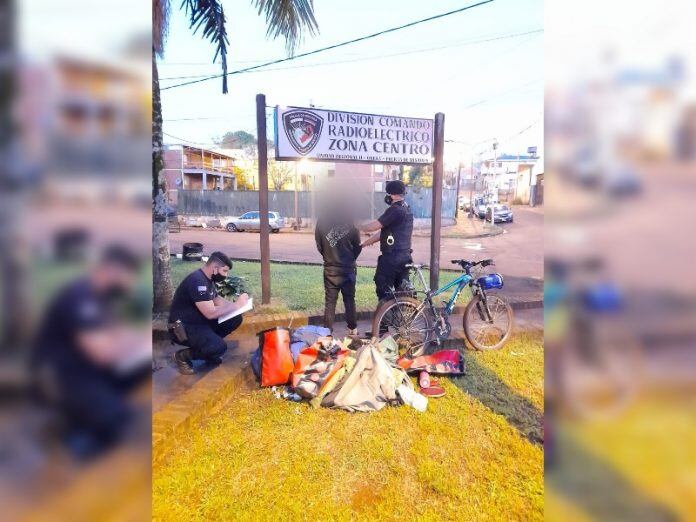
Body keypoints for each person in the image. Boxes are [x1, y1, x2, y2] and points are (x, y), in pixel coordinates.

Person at [31, 244, 150, 459]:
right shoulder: (80, 298)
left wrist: (137, 342)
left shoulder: (100, 297)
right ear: (113, 270)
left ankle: (96, 412)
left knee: (143, 366)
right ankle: (70, 439)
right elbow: (101, 353)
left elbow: (117, 334)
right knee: (118, 421)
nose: (129, 286)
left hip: (88, 367)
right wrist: (132, 346)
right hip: (63, 373)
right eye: (128, 278)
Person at [169, 251, 249, 375]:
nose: (226, 275)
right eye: (225, 271)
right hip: (183, 328)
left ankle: (209, 348)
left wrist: (238, 307)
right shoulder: (197, 281)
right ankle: (182, 356)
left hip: (198, 323)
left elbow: (217, 300)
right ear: (215, 268)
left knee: (235, 318)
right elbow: (210, 313)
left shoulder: (207, 279)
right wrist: (236, 305)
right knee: (219, 347)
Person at [358, 180, 414, 301]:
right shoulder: (407, 209)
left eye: (388, 193)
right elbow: (384, 233)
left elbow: (374, 226)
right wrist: (365, 243)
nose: (387, 197)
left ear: (392, 195)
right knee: (402, 292)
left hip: (392, 258)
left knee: (384, 288)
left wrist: (357, 227)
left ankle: (386, 318)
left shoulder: (394, 210)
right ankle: (402, 318)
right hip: (405, 257)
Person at [315, 202, 362, 335]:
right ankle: (353, 329)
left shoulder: (321, 222)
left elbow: (319, 245)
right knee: (349, 300)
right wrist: (351, 258)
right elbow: (358, 246)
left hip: (330, 268)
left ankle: (327, 333)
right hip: (347, 268)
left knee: (330, 302)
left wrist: (328, 257)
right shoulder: (350, 221)